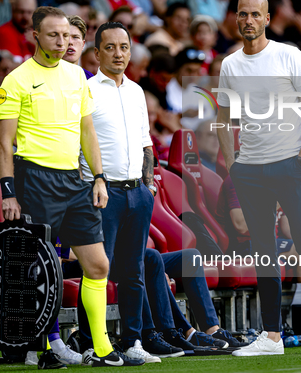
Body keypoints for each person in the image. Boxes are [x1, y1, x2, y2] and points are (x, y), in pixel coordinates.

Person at [0, 6, 143, 369]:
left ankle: (103, 348)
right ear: (36, 37)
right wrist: (8, 190)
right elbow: (4, 143)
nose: (61, 42)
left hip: (74, 181)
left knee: (97, 264)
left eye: (66, 36)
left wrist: (99, 176)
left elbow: (86, 131)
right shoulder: (16, 80)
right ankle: (43, 348)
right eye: (53, 36)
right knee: (40, 269)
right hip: (35, 179)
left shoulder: (77, 76)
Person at [216, 0, 301, 356]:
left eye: (256, 14)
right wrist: (232, 164)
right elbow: (223, 121)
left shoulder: (288, 54)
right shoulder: (230, 65)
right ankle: (272, 337)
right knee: (264, 252)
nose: (249, 21)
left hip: (289, 165)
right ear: (237, 19)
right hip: (250, 171)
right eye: (243, 14)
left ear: (268, 18)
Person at [76, 20, 172, 362]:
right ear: (97, 52)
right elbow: (78, 144)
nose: (119, 54)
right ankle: (88, 343)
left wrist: (147, 185)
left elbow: (146, 141)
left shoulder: (136, 92)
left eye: (124, 47)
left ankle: (133, 342)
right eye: (111, 47)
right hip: (101, 194)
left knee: (133, 272)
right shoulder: (86, 90)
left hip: (137, 193)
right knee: (96, 270)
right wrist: (89, 186)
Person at [0, 0, 36, 64]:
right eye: (21, 12)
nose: (25, 17)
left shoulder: (38, 34)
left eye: (29, 12)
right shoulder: (5, 32)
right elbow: (14, 68)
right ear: (13, 11)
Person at [62, 15, 93, 79]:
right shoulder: (43, 76)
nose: (70, 42)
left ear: (83, 44)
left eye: (75, 37)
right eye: (65, 36)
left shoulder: (90, 80)